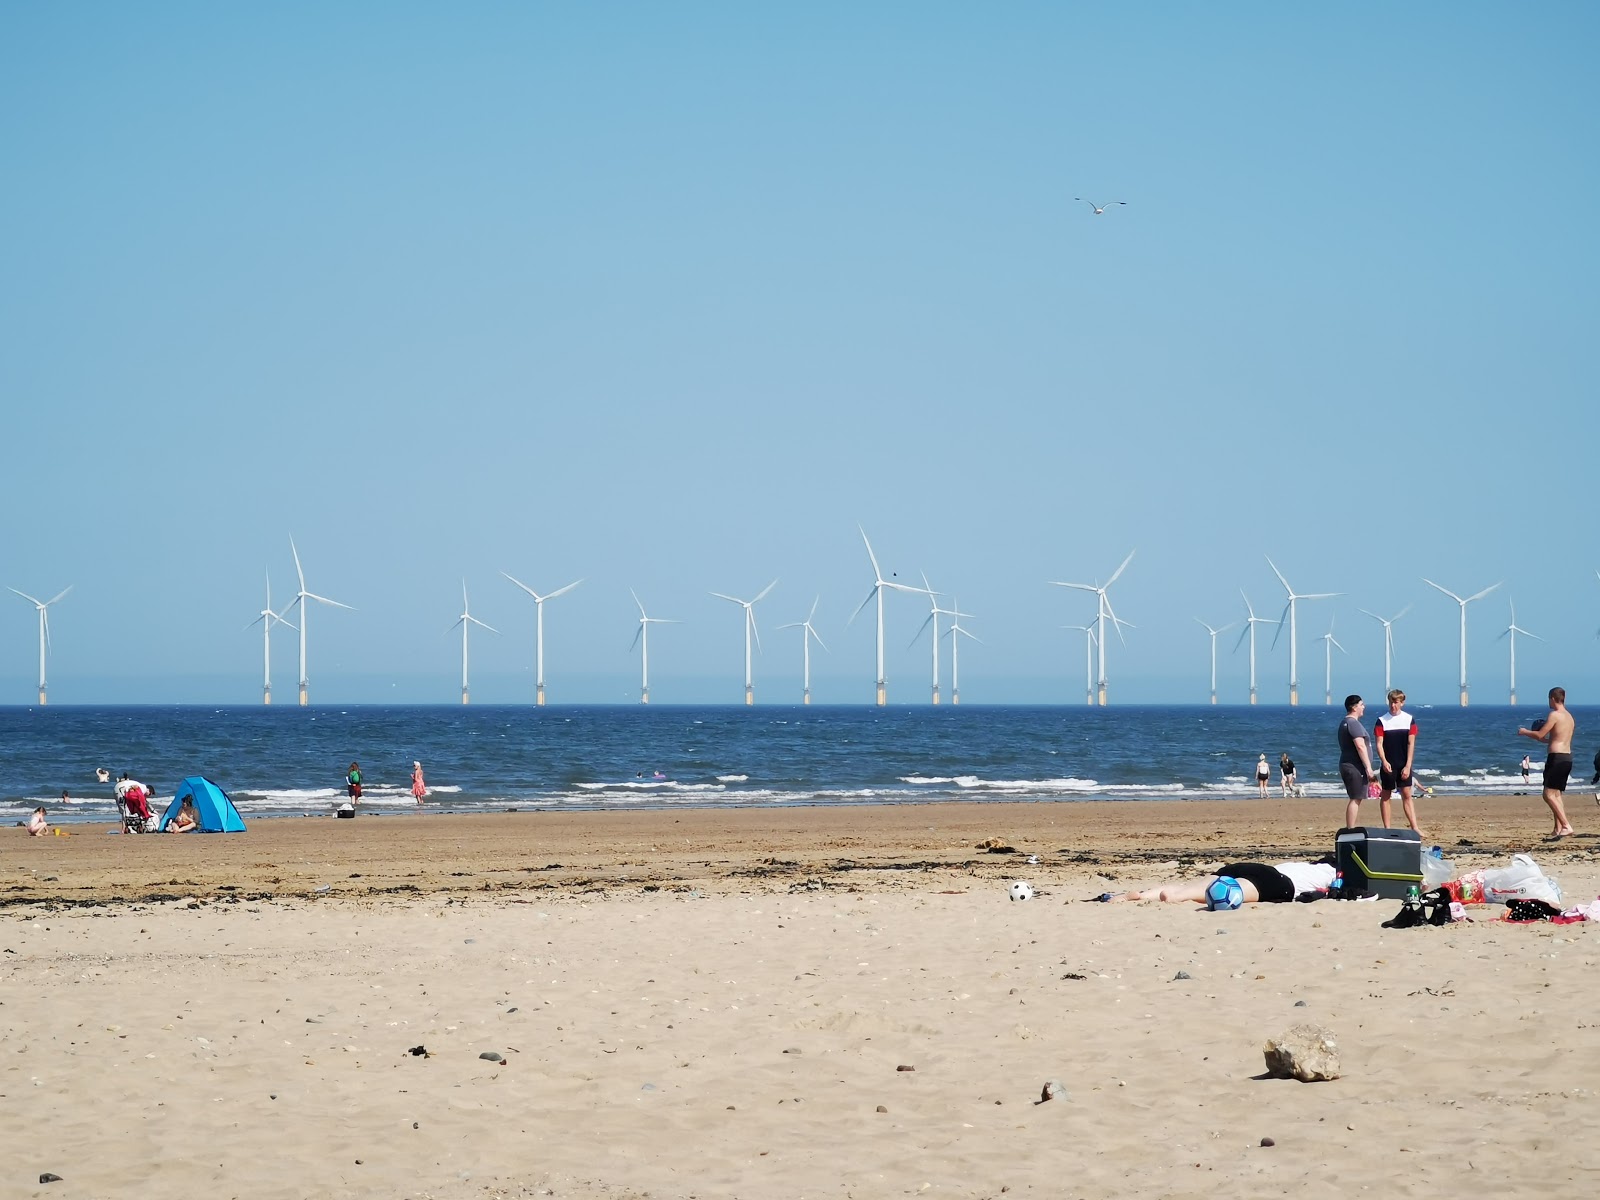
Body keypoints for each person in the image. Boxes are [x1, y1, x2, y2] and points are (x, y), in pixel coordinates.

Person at [1110, 858, 1337, 904]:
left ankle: (1142, 894)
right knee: (1225, 894)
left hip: (1257, 867)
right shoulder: (1333, 874)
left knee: (1191, 885)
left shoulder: (1305, 865)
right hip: (1279, 883)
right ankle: (1178, 897)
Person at [1518, 687, 1576, 838]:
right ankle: (1558, 828)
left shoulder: (1555, 715)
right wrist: (1543, 739)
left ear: (1552, 698)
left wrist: (1524, 732)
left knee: (1548, 794)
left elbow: (1539, 734)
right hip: (1567, 757)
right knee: (1556, 794)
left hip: (1556, 758)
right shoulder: (1569, 716)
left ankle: (1566, 825)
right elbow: (1554, 739)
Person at [1374, 688, 1422, 834]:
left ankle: (1415, 827)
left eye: (1395, 702)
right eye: (1391, 702)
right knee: (1386, 795)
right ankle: (1387, 829)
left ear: (1402, 703)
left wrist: (1408, 765)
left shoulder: (1409, 720)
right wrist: (1384, 760)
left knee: (1407, 795)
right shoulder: (1382, 721)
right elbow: (1379, 743)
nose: (1393, 705)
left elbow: (1411, 743)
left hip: (1403, 763)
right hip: (1388, 763)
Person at [1338, 694, 1379, 829]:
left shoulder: (1345, 723)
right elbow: (1360, 746)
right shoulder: (1353, 723)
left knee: (1356, 797)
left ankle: (1351, 827)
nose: (1364, 707)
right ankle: (1350, 828)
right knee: (1356, 798)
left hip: (1349, 764)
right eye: (1361, 704)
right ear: (1354, 707)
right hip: (1355, 766)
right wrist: (1368, 768)